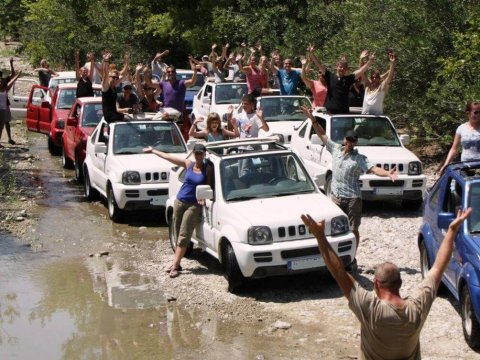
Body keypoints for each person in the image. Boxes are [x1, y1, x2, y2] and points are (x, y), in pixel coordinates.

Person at [300, 207, 472, 360]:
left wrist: (320, 236)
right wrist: (451, 231)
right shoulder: (416, 308)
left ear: (376, 284)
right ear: (400, 283)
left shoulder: (372, 309)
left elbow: (340, 274)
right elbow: (437, 268)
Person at [301, 107, 397, 246]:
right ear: (344, 139)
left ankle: (353, 256)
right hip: (336, 196)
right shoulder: (335, 149)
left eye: (353, 141)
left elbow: (373, 169)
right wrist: (313, 119)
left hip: (353, 198)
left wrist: (388, 173)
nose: (350, 143)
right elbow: (322, 135)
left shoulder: (359, 158)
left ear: (355, 142)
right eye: (349, 140)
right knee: (334, 227)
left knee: (353, 229)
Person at [143, 143, 213, 278]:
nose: (198, 156)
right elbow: (168, 157)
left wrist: (203, 196)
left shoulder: (208, 169)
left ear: (204, 154)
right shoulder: (188, 164)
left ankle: (175, 266)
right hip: (180, 201)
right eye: (197, 153)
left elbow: (210, 186)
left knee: (184, 234)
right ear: (194, 153)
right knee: (176, 231)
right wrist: (153, 151)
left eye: (201, 154)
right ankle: (177, 263)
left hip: (193, 205)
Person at [440, 101, 480, 173]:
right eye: (476, 112)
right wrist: (446, 164)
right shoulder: (461, 128)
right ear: (468, 113)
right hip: (465, 166)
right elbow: (454, 149)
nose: (478, 115)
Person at [362, 49, 396, 115]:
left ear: (379, 79)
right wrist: (362, 60)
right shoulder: (367, 87)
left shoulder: (381, 88)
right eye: (373, 77)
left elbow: (389, 77)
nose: (374, 79)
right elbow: (362, 73)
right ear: (371, 78)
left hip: (377, 120)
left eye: (376, 77)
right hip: (364, 118)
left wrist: (392, 64)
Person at [101, 52, 124, 123]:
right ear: (109, 77)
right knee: (126, 118)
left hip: (114, 113)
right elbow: (105, 73)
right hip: (109, 116)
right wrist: (106, 61)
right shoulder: (105, 87)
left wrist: (126, 63)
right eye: (113, 77)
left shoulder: (113, 86)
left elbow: (123, 76)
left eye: (116, 78)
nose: (115, 79)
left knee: (129, 117)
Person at [0, 71, 21, 147]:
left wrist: (18, 75)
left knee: (1, 126)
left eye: (1, 82)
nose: (0, 82)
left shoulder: (6, 89)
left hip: (3, 110)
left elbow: (12, 81)